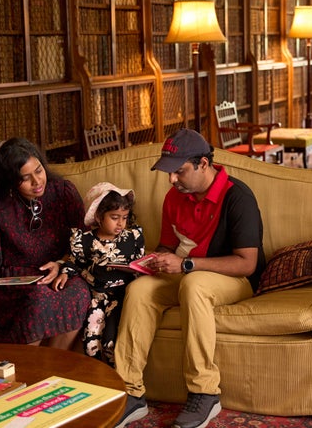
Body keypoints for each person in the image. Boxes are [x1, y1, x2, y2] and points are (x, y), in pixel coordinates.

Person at [114, 129, 266, 428]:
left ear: (204, 165)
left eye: (179, 172)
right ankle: (129, 392)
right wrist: (152, 262)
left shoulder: (238, 197)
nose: (172, 180)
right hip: (188, 272)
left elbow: (247, 264)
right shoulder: (174, 197)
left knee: (194, 284)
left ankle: (204, 392)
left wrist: (185, 265)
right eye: (169, 173)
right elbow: (168, 246)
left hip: (232, 277)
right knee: (141, 289)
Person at [0, 137, 89, 350]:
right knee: (38, 296)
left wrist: (62, 263)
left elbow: (82, 241)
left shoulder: (63, 191)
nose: (37, 182)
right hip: (16, 281)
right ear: (11, 181)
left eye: (39, 171)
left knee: (79, 292)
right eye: (26, 178)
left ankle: (54, 367)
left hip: (58, 271)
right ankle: (29, 368)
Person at [59, 182, 145, 367]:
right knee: (91, 344)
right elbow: (74, 262)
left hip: (121, 297)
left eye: (124, 217)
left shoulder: (133, 237)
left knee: (110, 343)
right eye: (114, 217)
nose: (121, 223)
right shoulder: (84, 240)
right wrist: (65, 273)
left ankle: (116, 381)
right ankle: (97, 381)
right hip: (95, 298)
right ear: (98, 216)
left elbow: (141, 262)